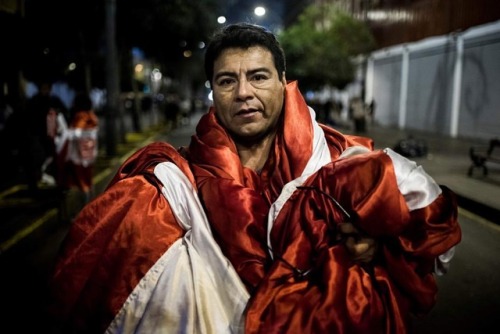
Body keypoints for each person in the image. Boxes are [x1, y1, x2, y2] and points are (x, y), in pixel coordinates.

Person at [46, 23, 461, 333]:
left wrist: (378, 244)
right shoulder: (167, 184)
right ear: (213, 91)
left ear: (283, 83)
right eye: (227, 81)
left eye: (258, 77)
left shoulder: (342, 161)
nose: (243, 92)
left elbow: (431, 240)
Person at [22, 80, 68, 193]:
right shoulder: (34, 102)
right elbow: (28, 119)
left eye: (47, 88)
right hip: (37, 136)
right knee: (36, 161)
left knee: (55, 160)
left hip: (51, 137)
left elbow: (64, 111)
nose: (45, 91)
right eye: (43, 88)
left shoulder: (53, 100)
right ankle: (34, 185)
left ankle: (59, 184)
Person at [64, 92, 99, 207]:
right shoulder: (92, 116)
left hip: (78, 156)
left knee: (81, 183)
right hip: (90, 156)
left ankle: (84, 210)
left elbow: (74, 135)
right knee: (89, 181)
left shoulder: (79, 117)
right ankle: (92, 208)